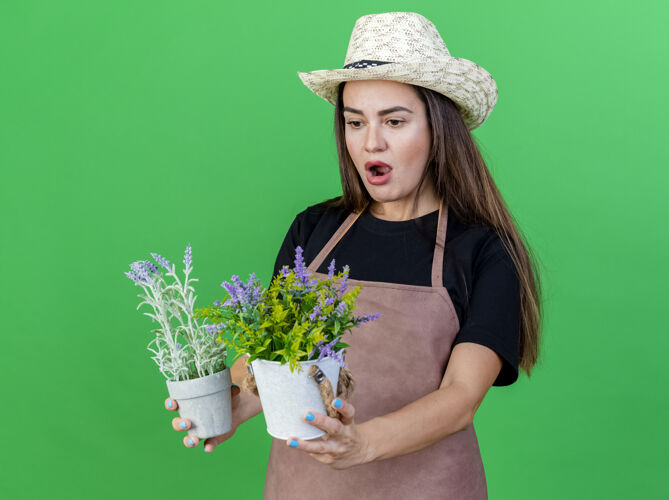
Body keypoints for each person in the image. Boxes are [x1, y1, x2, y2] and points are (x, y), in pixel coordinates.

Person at [164, 11, 542, 499]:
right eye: (355, 122)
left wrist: (360, 444)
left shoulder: (485, 250)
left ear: (438, 129)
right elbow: (271, 357)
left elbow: (460, 399)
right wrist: (234, 404)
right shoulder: (315, 231)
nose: (371, 142)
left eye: (395, 121)